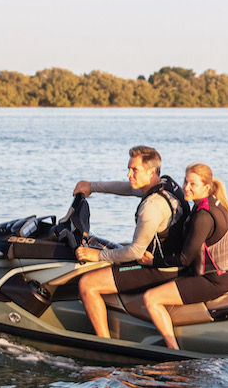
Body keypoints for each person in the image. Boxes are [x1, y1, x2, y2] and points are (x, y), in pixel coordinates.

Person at [71, 145, 188, 338]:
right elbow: (128, 188)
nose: (128, 174)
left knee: (87, 284)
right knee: (120, 246)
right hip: (169, 255)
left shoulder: (151, 206)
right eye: (129, 169)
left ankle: (104, 342)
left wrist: (97, 255)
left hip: (159, 268)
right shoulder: (165, 183)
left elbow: (134, 252)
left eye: (134, 170)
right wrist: (92, 186)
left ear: (151, 172)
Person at [138, 163, 228, 350]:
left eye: (192, 184)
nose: (186, 187)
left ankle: (172, 351)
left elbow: (184, 259)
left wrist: (153, 261)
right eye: (185, 182)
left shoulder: (203, 216)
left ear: (206, 187)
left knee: (151, 298)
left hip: (214, 280)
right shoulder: (214, 204)